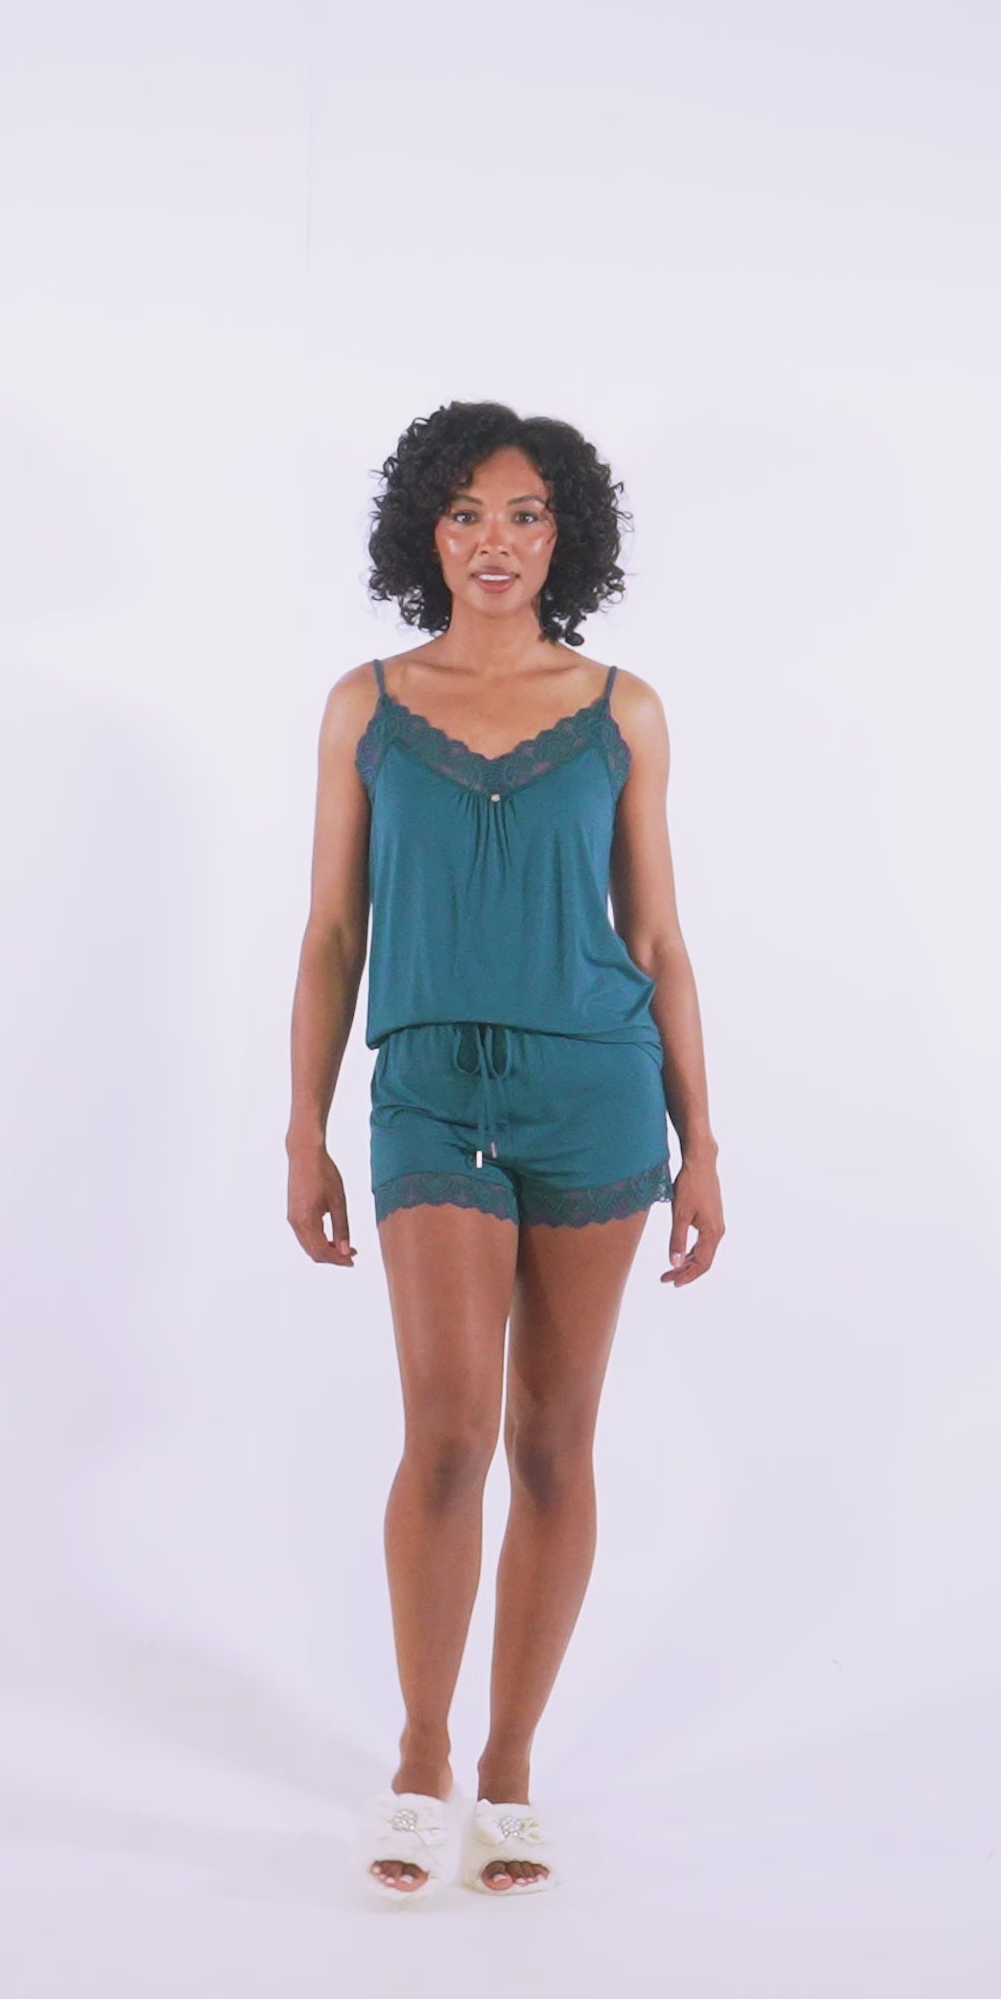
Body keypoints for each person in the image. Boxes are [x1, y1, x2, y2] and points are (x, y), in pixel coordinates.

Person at [286, 401, 724, 1898]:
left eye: (526, 514)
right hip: (427, 1089)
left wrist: (702, 1140)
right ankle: (420, 1752)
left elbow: (657, 936)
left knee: (551, 1442)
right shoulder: (366, 705)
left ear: (564, 534)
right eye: (466, 511)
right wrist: (305, 1128)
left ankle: (512, 1767)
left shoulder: (621, 710)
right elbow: (331, 931)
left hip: (596, 1088)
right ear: (425, 529)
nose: (495, 540)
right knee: (451, 1431)